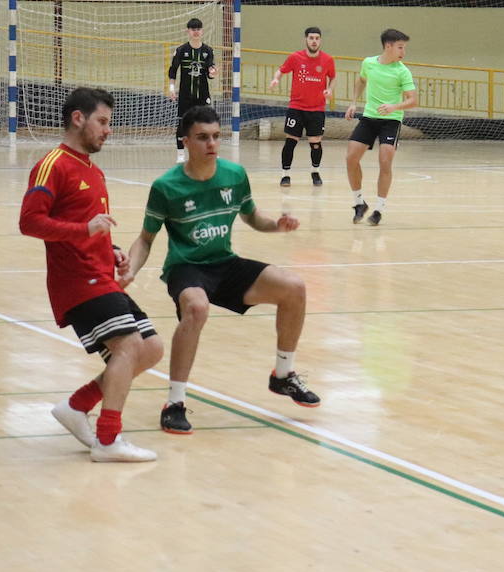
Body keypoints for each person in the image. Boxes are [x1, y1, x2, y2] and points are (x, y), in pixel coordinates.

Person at [121, 104, 319, 435]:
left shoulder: (235, 175)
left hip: (223, 263)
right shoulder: (166, 187)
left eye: (216, 136)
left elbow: (253, 218)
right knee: (196, 309)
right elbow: (145, 240)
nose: (211, 144)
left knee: (294, 287)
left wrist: (277, 225)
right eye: (202, 138)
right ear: (185, 141)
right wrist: (131, 271)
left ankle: (283, 376)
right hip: (186, 268)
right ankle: (174, 402)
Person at [19, 86, 164, 462]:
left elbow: (92, 226)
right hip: (76, 280)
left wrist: (113, 252)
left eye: (109, 123)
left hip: (100, 275)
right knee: (129, 345)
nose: (108, 130)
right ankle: (108, 439)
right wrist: (85, 232)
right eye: (102, 121)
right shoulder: (53, 164)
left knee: (150, 349)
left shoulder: (93, 171)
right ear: (77, 118)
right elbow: (30, 222)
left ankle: (77, 406)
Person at [344, 28, 418, 226]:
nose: (403, 52)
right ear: (388, 46)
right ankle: (359, 203)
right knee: (351, 158)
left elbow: (413, 100)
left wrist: (394, 106)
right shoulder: (369, 63)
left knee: (385, 161)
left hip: (391, 120)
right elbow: (361, 80)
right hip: (369, 117)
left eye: (404, 48)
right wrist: (353, 102)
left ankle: (378, 209)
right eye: (400, 47)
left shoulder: (402, 71)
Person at [270, 25, 336, 187]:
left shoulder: (328, 60)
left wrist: (329, 89)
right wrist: (276, 79)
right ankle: (285, 175)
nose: (314, 41)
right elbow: (281, 70)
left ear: (320, 40)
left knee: (315, 142)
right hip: (297, 107)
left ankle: (315, 172)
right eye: (311, 38)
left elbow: (333, 77)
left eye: (317, 38)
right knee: (290, 141)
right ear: (306, 39)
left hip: (317, 109)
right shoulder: (295, 57)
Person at [167, 17, 216, 164]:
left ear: (202, 31)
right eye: (193, 29)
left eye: (198, 29)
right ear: (188, 31)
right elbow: (173, 70)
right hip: (185, 94)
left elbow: (210, 72)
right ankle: (181, 154)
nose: (196, 32)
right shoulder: (181, 50)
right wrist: (171, 88)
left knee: (206, 124)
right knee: (183, 124)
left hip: (202, 94)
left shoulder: (208, 50)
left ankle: (206, 152)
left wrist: (212, 73)